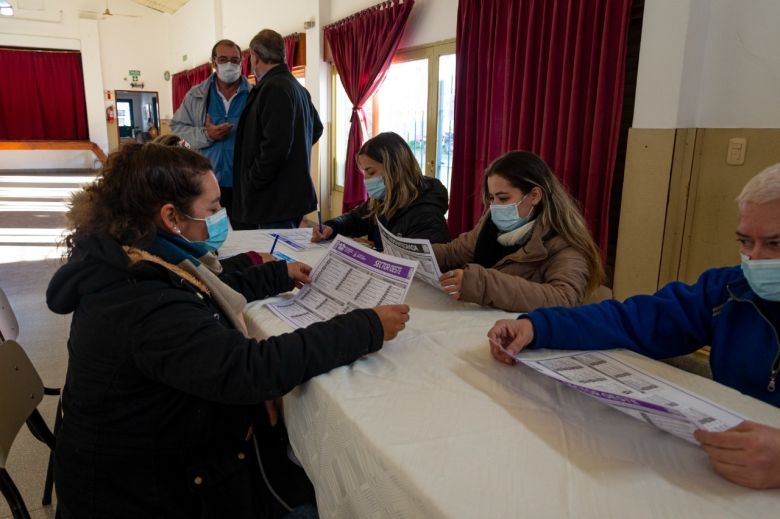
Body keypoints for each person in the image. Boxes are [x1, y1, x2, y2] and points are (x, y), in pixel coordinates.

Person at [46, 143, 410, 518]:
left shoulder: (132, 258)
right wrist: (365, 327)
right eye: (214, 207)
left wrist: (275, 274)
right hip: (142, 496)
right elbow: (250, 370)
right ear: (171, 217)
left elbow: (201, 288)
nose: (222, 216)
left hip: (147, 465)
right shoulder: (141, 303)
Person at [488, 163, 780, 490]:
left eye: (774, 245)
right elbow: (634, 320)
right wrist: (539, 326)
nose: (754, 259)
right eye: (745, 242)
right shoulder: (729, 289)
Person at [432, 150, 603, 312]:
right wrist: (415, 252)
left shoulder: (564, 242)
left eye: (503, 198)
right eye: (492, 198)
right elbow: (455, 252)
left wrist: (483, 284)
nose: (495, 206)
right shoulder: (490, 224)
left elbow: (564, 299)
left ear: (535, 196)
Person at [233, 29, 323, 230]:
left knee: (276, 257)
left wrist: (253, 179)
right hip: (287, 195)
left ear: (254, 57)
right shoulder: (296, 87)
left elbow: (276, 146)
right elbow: (316, 129)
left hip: (274, 197)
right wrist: (296, 153)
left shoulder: (274, 88)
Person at [311, 132, 450, 250]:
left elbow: (419, 265)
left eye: (370, 172)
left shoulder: (427, 214)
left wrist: (374, 250)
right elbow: (355, 219)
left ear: (395, 170)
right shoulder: (384, 199)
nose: (365, 180)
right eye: (364, 172)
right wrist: (331, 227)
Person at [171, 39, 251, 223]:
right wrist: (207, 135)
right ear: (213, 62)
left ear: (242, 62)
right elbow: (177, 128)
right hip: (206, 184)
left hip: (244, 185)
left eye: (235, 59)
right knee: (212, 239)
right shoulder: (196, 95)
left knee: (245, 236)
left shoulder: (253, 95)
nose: (229, 64)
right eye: (223, 59)